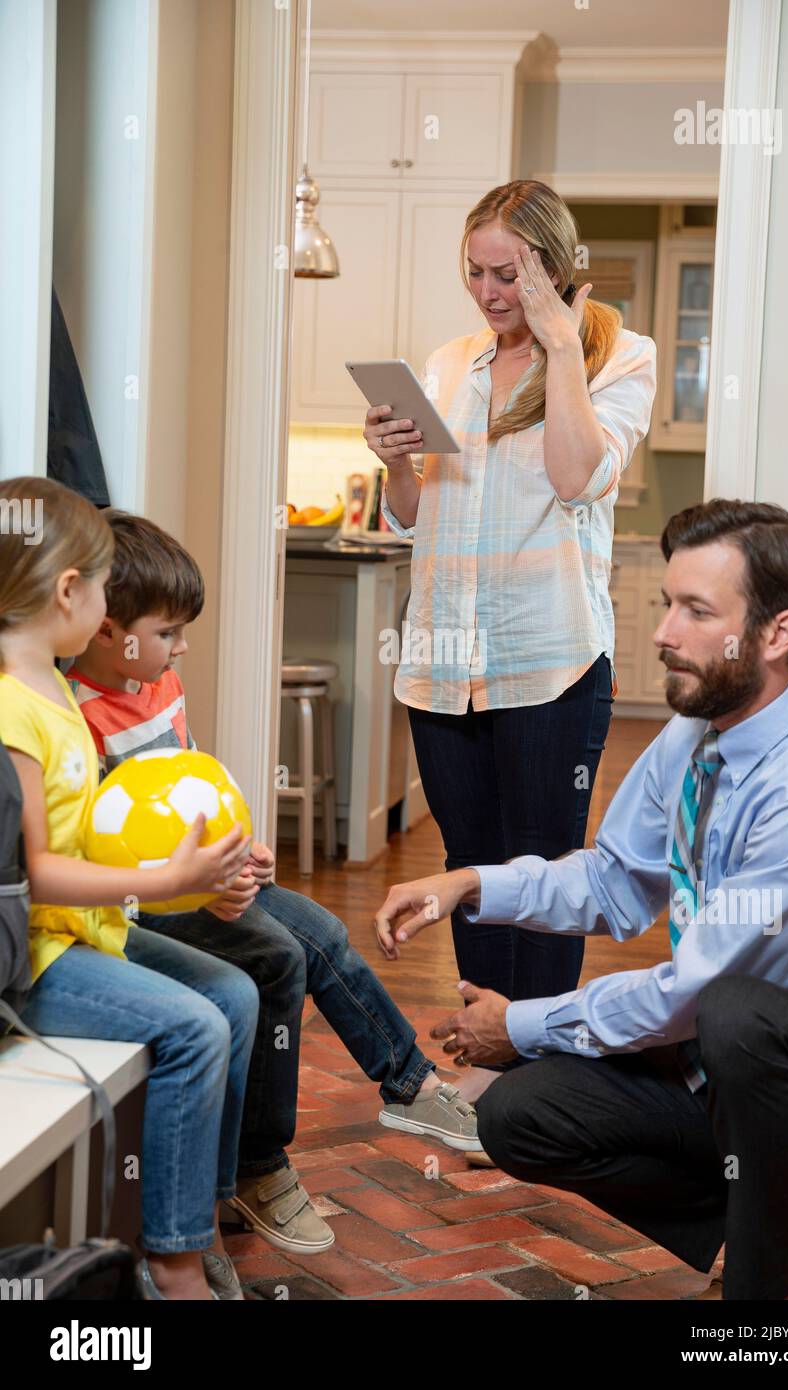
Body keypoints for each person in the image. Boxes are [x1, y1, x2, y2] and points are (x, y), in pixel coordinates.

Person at [374, 499, 788, 1301]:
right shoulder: (695, 734)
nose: (665, 632)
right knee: (518, 1116)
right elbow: (612, 881)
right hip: (733, 1072)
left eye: (696, 611)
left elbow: (700, 991)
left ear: (776, 634)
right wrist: (473, 884)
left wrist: (520, 1026)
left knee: (739, 1011)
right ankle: (777, 1212)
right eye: (666, 603)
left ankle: (775, 1292)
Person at [67, 508, 484, 1244]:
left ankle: (409, 1084)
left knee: (319, 928)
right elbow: (104, 853)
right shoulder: (76, 715)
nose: (182, 648)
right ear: (108, 630)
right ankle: (260, 1165)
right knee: (276, 953)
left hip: (205, 878)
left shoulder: (160, 687)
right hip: (143, 905)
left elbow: (191, 791)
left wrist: (244, 849)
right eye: (168, 634)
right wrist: (198, 879)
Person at [364, 179, 656, 1102]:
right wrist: (395, 460)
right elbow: (415, 516)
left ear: (554, 268)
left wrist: (560, 339)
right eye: (476, 273)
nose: (489, 294)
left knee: (543, 866)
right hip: (443, 664)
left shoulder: (621, 356)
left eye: (509, 274)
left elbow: (577, 477)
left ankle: (540, 1068)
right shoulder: (451, 361)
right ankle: (488, 1065)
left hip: (551, 657)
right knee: (469, 867)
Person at [0, 476, 257, 1301]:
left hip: (86, 929)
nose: (112, 603)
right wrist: (165, 878)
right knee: (195, 1029)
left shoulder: (53, 686)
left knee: (237, 996)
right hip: (41, 955)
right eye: (106, 582)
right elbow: (34, 869)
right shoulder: (15, 708)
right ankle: (173, 1261)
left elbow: (98, 825)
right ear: (69, 590)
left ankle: (201, 1213)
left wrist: (200, 876)